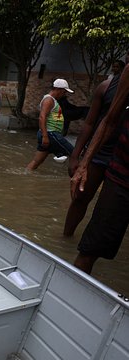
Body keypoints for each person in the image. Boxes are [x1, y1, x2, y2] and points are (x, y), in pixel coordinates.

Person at [71, 64, 129, 274]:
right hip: (121, 170)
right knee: (90, 248)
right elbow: (109, 120)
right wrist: (82, 162)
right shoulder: (108, 86)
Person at [64, 59, 126, 236]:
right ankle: (66, 238)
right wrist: (76, 156)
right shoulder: (106, 87)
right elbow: (89, 123)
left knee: (110, 208)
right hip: (99, 153)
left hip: (123, 158)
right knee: (80, 197)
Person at [26, 79, 76, 171]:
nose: (64, 94)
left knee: (36, 161)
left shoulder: (51, 100)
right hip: (51, 134)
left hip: (49, 134)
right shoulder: (49, 100)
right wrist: (45, 136)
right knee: (74, 154)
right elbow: (42, 117)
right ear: (58, 89)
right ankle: (78, 176)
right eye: (64, 91)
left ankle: (25, 175)